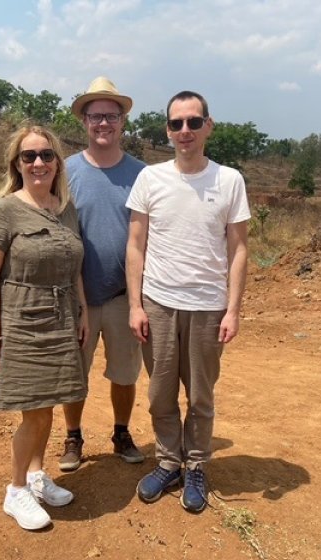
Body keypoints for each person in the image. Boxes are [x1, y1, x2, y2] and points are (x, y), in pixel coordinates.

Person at [125, 90, 250, 513]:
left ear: (208, 126)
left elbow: (238, 250)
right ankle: (167, 462)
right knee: (161, 394)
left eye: (193, 122)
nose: (185, 131)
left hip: (208, 307)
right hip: (158, 304)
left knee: (200, 395)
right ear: (167, 130)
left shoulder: (229, 180)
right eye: (176, 123)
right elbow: (135, 246)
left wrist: (232, 309)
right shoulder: (150, 179)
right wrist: (135, 305)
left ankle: (195, 465)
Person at [0, 124, 89, 530]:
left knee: (51, 403)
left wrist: (84, 313)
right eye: (29, 156)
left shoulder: (65, 207)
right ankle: (17, 489)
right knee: (35, 413)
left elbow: (75, 267)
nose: (38, 162)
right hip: (22, 320)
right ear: (17, 164)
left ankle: (38, 477)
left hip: (62, 320)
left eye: (46, 155)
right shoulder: (4, 210)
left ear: (58, 162)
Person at [58, 76, 146, 472]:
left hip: (125, 296)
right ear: (84, 122)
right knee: (75, 373)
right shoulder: (65, 171)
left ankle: (122, 432)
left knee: (125, 374)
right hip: (77, 298)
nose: (103, 123)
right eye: (96, 116)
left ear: (123, 119)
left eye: (111, 115)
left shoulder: (144, 174)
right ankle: (73, 435)